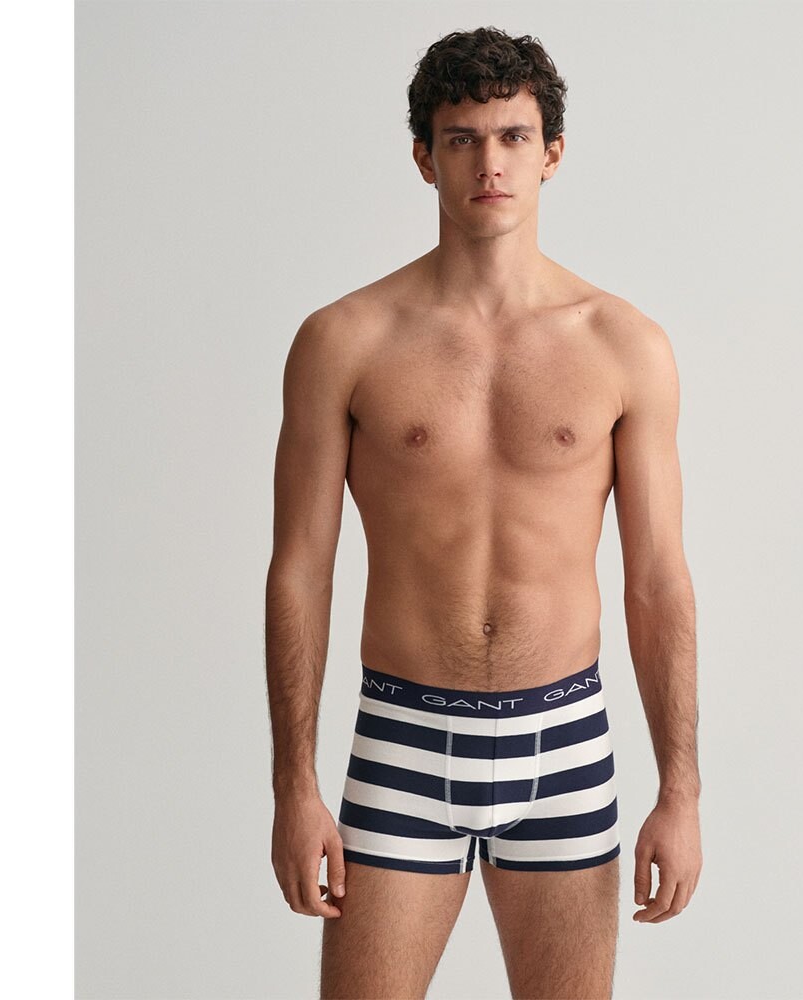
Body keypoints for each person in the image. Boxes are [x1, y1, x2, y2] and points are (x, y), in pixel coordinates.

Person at [264, 25, 702, 999]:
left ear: (552, 153)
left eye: (512, 137)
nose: (489, 163)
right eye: (461, 139)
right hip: (402, 742)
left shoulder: (624, 345)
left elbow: (656, 578)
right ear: (425, 157)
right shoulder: (345, 341)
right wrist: (294, 786)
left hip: (566, 743)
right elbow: (299, 568)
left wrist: (681, 789)